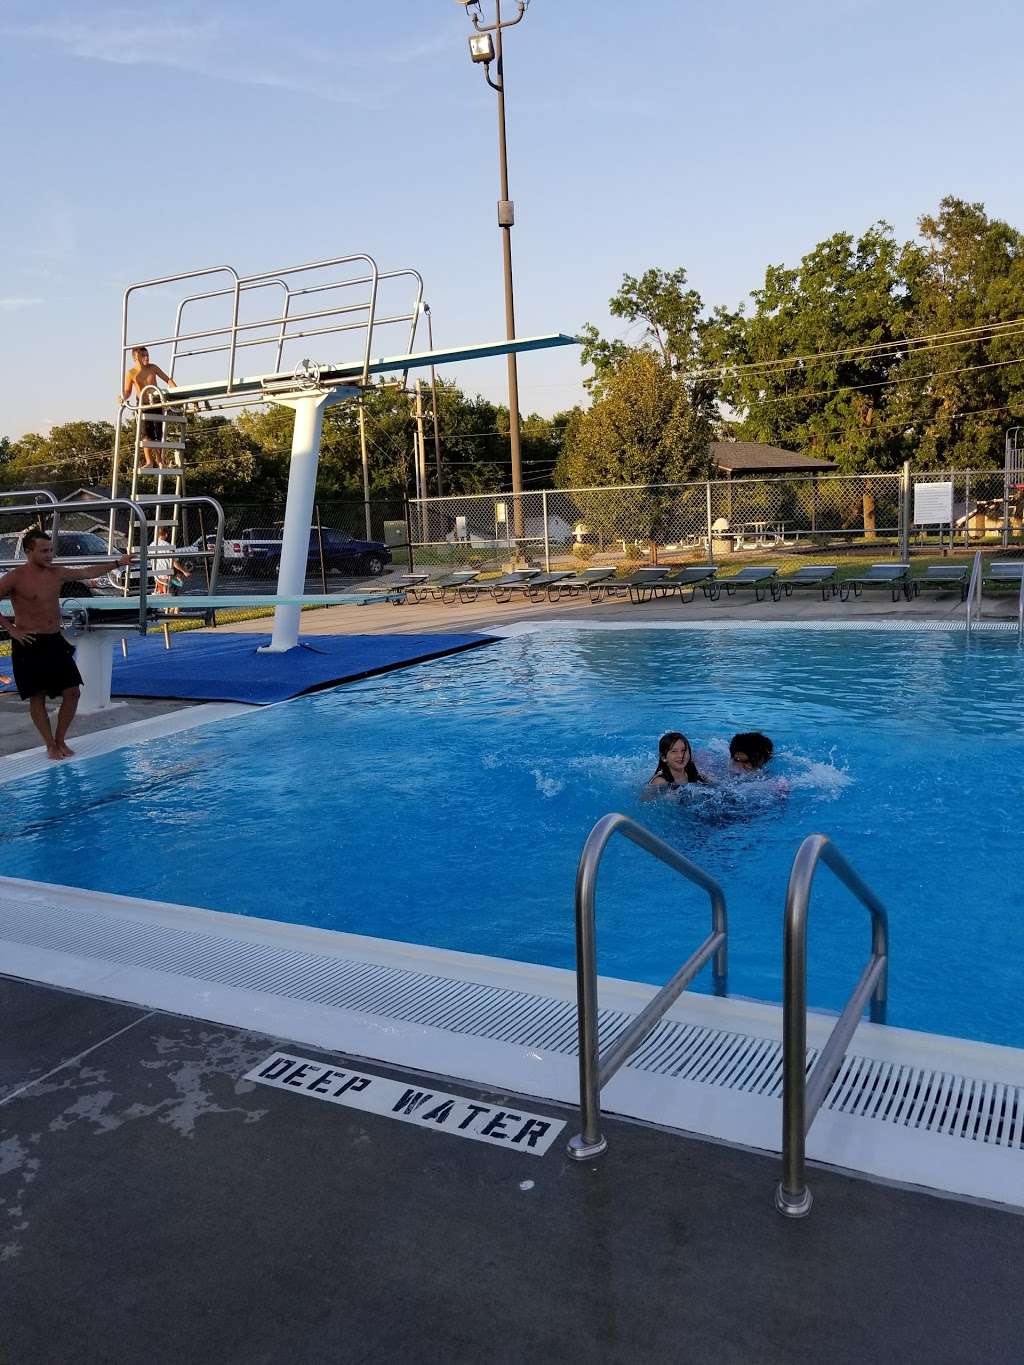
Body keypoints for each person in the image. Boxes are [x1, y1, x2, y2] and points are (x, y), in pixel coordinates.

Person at [0, 529, 130, 760]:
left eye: (51, 550)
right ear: (29, 551)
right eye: (44, 551)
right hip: (29, 642)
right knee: (37, 696)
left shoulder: (56, 573)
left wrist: (117, 562)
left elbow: (86, 571)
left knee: (73, 692)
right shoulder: (15, 577)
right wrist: (11, 630)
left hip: (54, 640)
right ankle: (50, 744)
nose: (49, 555)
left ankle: (60, 739)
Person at [122, 345, 177, 468]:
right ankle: (149, 462)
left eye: (147, 355)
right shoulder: (131, 373)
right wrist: (123, 398)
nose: (147, 357)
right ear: (136, 358)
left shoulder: (153, 367)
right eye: (143, 355)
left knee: (158, 434)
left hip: (157, 403)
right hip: (143, 405)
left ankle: (160, 461)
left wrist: (177, 391)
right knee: (146, 435)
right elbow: (127, 390)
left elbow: (167, 379)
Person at [151, 529, 188, 596]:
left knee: (163, 591)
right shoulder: (168, 546)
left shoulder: (152, 545)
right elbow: (174, 562)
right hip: (167, 575)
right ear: (166, 534)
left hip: (157, 575)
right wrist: (184, 571)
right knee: (176, 587)